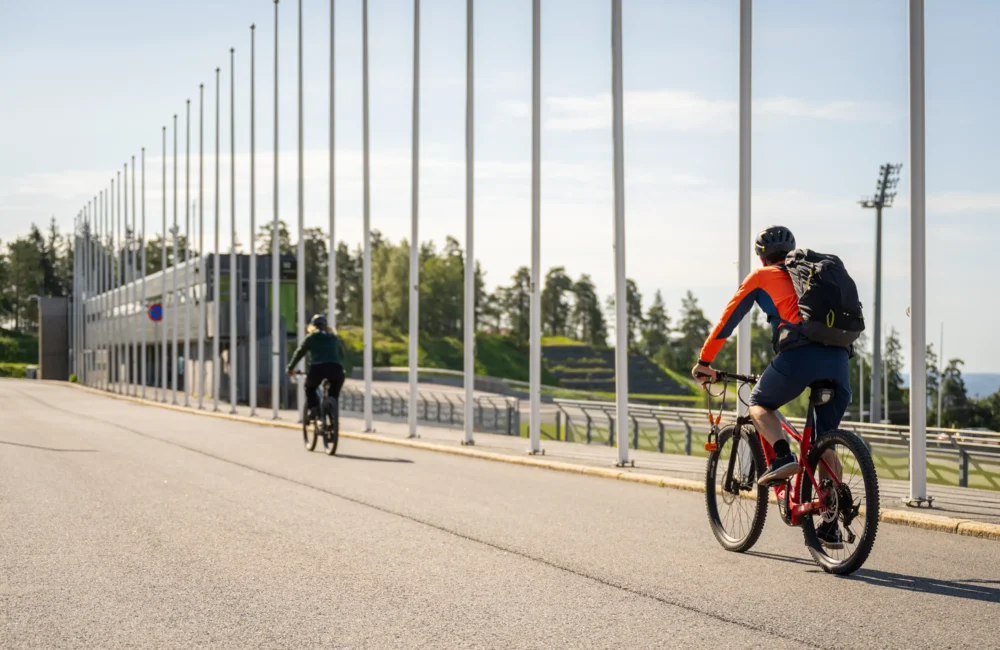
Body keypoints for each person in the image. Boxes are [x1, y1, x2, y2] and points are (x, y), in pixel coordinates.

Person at [691, 225, 851, 548]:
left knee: (759, 405)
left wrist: (705, 361)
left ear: (762, 257)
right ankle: (830, 522)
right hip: (840, 360)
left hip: (800, 357)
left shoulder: (761, 277)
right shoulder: (809, 277)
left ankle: (781, 457)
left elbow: (728, 320)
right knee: (823, 443)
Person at [287, 314, 347, 420]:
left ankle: (314, 408)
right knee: (334, 391)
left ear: (312, 326)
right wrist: (339, 364)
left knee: (309, 387)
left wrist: (290, 367)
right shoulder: (333, 337)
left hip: (317, 368)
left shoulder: (311, 338)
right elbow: (342, 354)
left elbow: (299, 353)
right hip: (336, 368)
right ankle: (331, 407)